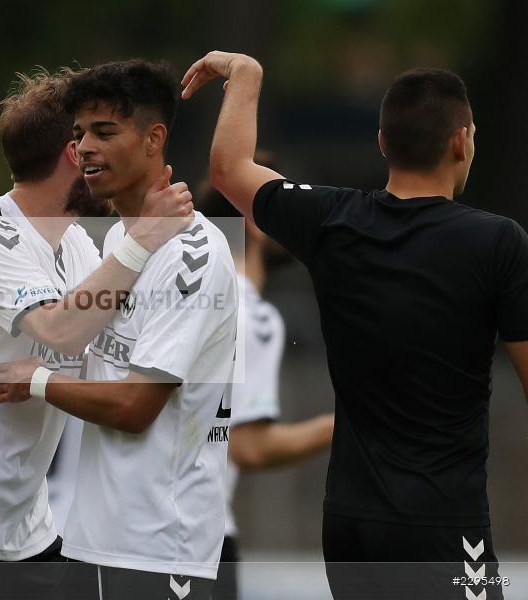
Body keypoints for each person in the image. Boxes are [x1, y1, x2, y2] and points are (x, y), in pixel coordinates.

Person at [182, 51, 528, 599]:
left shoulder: (333, 220)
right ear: (461, 141)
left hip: (347, 525)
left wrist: (246, 74)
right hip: (440, 522)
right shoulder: (498, 243)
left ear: (382, 143)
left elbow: (227, 168)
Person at [0, 69, 193, 600]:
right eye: (88, 137)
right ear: (74, 153)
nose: (97, 152)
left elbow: (108, 345)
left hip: (31, 535)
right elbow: (61, 330)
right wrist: (141, 238)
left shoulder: (76, 245)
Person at [0, 59, 238, 600]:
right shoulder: (120, 246)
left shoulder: (192, 255)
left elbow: (134, 407)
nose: (85, 149)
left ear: (154, 139)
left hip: (156, 553)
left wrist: (37, 380)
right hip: (93, 541)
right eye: (78, 135)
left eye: (105, 132)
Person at [198, 173, 334, 600]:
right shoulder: (250, 312)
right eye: (282, 206)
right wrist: (350, 424)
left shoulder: (186, 297)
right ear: (254, 221)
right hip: (195, 538)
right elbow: (248, 447)